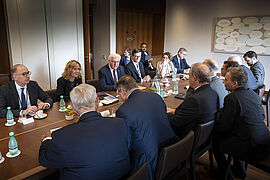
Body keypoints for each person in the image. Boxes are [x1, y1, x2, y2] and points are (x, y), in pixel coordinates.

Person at [39, 84, 130, 180]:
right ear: (97, 102)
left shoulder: (62, 136)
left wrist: (47, 139)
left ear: (73, 107)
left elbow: (45, 160)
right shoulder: (120, 123)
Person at [213, 67, 270, 179]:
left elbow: (224, 126)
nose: (224, 82)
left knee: (215, 141)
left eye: (226, 80)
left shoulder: (231, 98)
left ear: (235, 83)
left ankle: (226, 175)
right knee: (236, 136)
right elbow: (262, 116)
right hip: (264, 140)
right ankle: (239, 171)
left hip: (252, 147)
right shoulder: (252, 94)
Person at [116, 75, 177, 180]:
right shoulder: (155, 96)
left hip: (149, 164)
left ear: (122, 91)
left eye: (118, 93)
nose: (120, 97)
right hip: (172, 151)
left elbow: (127, 144)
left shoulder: (123, 111)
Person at [167, 63, 218, 139]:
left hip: (184, 140)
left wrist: (163, 113)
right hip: (204, 138)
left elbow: (175, 123)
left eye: (189, 75)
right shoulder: (213, 93)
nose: (188, 78)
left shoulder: (194, 100)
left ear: (194, 77)